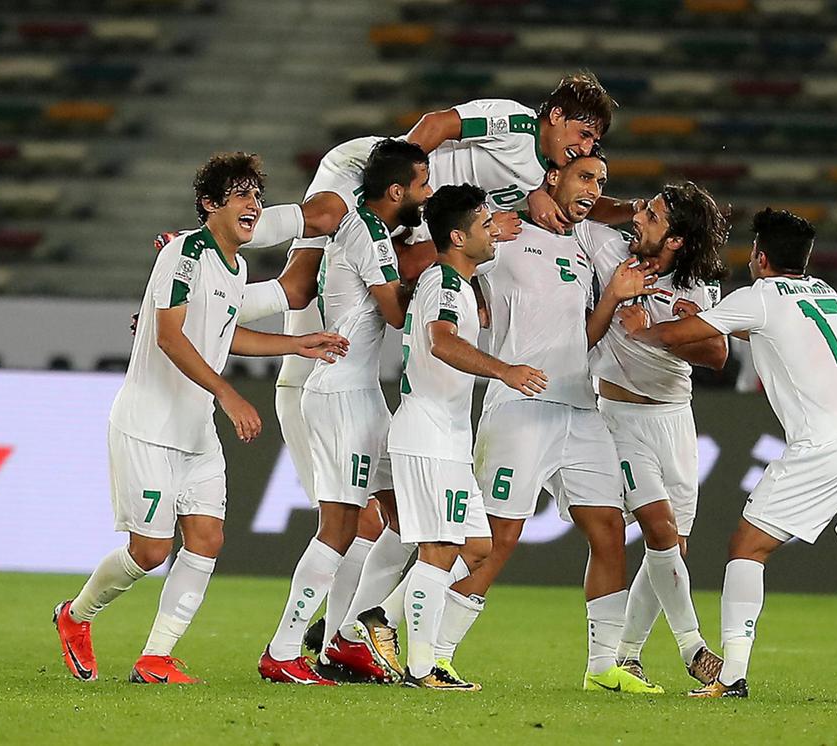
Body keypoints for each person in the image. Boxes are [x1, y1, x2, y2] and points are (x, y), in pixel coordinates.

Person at [53, 153, 348, 684]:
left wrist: (297, 343)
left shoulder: (237, 268)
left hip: (196, 431)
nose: (254, 204)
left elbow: (225, 334)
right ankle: (75, 616)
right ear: (210, 204)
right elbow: (170, 336)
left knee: (207, 539)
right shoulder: (184, 254)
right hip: (148, 426)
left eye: (257, 195)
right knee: (150, 552)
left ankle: (155, 658)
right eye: (240, 195)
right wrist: (228, 393)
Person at [620, 208, 837, 702]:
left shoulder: (758, 297)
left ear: (760, 258)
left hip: (827, 444)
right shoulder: (826, 294)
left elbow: (676, 338)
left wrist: (640, 329)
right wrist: (705, 318)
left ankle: (732, 676)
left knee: (747, 547)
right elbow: (775, 331)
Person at [436, 151, 661, 693]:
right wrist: (509, 212)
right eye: (585, 177)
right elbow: (445, 249)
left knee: (608, 529)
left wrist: (613, 296)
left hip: (580, 406)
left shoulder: (583, 249)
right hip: (520, 405)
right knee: (498, 538)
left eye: (601, 180)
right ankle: (432, 653)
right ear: (553, 177)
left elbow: (580, 339)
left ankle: (603, 667)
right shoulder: (505, 235)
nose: (594, 188)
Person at [258, 139, 432, 684]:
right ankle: (284, 650)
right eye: (422, 184)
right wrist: (446, 270)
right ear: (397, 191)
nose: (428, 194)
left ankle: (342, 640)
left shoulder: (369, 229)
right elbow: (396, 313)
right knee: (338, 527)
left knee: (406, 519)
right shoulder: (369, 234)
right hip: (340, 397)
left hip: (363, 394)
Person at [390, 184, 547, 690]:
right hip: (429, 434)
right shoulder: (444, 283)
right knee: (439, 551)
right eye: (484, 225)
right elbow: (441, 342)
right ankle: (421, 669)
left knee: (477, 547)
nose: (493, 231)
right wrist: (504, 370)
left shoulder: (456, 282)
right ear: (458, 237)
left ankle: (377, 618)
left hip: (450, 437)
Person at [575, 182, 730, 688]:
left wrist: (664, 332)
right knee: (659, 528)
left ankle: (627, 655)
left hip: (675, 419)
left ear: (677, 240)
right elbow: (578, 208)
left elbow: (717, 355)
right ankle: (694, 648)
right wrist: (628, 206)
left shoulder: (697, 286)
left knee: (672, 546)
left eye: (654, 216)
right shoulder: (608, 249)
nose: (639, 219)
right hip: (618, 418)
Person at [242, 73, 641, 259]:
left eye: (593, 141)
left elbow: (586, 202)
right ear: (555, 115)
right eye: (583, 133)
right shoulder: (515, 123)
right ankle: (212, 235)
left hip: (412, 211)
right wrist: (398, 179)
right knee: (325, 216)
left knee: (299, 290)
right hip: (381, 174)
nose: (585, 147)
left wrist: (634, 209)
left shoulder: (545, 174)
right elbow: (437, 124)